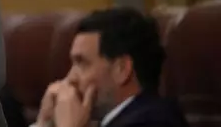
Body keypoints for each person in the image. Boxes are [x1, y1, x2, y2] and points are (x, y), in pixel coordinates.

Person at [35, 7, 188, 127]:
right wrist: (44, 124)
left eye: (82, 63)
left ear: (121, 69)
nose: (70, 79)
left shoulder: (154, 122)